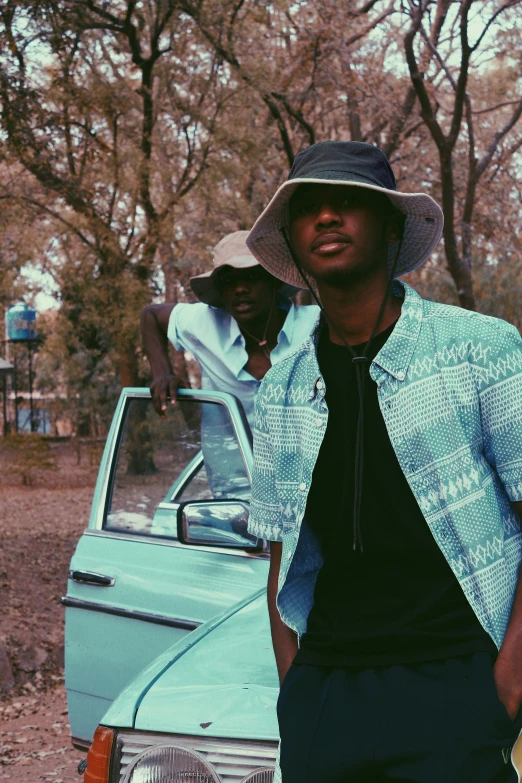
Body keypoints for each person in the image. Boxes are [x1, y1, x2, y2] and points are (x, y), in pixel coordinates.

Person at [246, 141, 522, 782]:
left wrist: (507, 684)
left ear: (392, 226)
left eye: (350, 203)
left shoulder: (480, 351)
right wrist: (296, 687)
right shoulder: (282, 387)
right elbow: (281, 552)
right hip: (329, 690)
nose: (327, 218)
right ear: (292, 236)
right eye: (309, 207)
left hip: (456, 676)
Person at [140, 231, 319, 497]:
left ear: (273, 281)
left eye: (250, 276)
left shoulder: (316, 327)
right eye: (229, 280)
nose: (240, 288)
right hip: (234, 498)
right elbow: (151, 315)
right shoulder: (205, 323)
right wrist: (161, 372)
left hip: (312, 494)